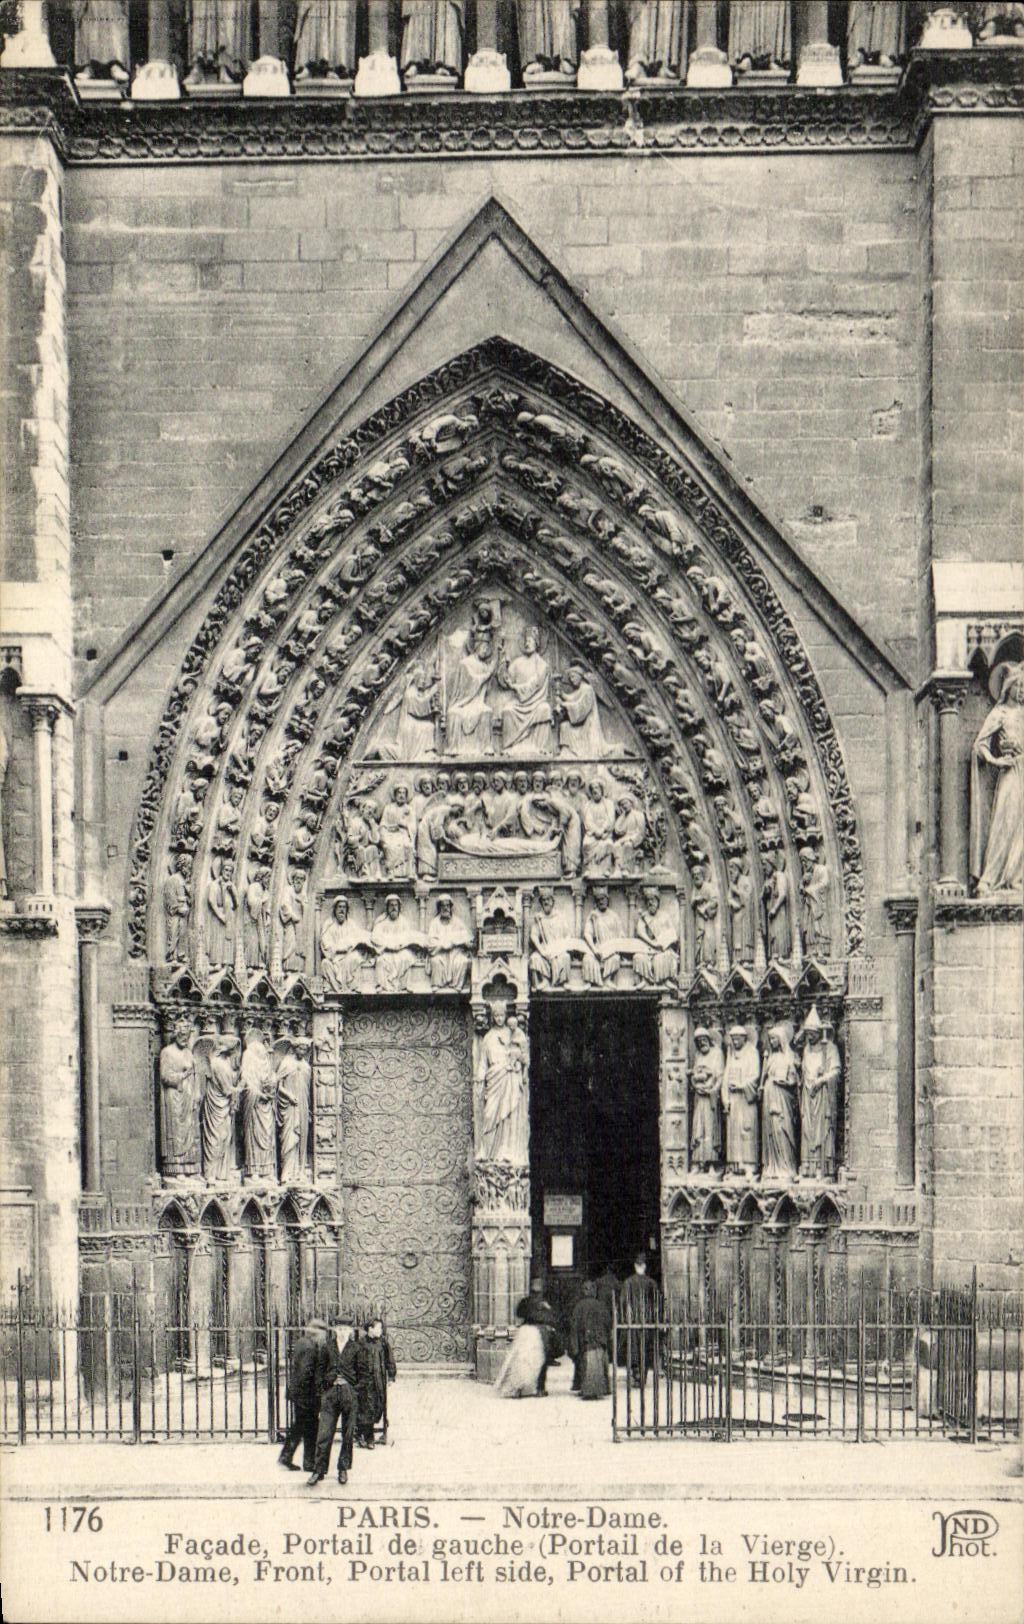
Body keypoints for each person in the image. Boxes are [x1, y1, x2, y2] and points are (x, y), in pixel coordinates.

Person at [308, 1319, 359, 1486]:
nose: (342, 1332)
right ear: (335, 1330)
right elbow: (319, 1371)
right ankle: (318, 1470)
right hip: (330, 1394)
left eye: (345, 1329)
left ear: (350, 1331)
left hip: (349, 1393)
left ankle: (343, 1468)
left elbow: (364, 1373)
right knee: (324, 1433)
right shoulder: (327, 1347)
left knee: (348, 1434)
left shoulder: (356, 1348)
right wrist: (324, 1389)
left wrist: (354, 1389)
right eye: (340, 1329)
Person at [278, 1319, 329, 1474]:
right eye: (323, 1333)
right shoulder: (310, 1347)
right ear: (317, 1332)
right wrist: (313, 1393)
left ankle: (288, 1457)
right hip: (306, 1394)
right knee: (310, 1428)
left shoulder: (302, 1342)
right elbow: (306, 1372)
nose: (325, 1336)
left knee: (301, 1426)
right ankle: (306, 1462)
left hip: (300, 1393)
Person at [619, 1255, 660, 1389]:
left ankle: (636, 1375)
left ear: (635, 1266)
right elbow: (656, 1303)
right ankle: (643, 1376)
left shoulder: (628, 1282)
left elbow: (623, 1302)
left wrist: (624, 1318)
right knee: (645, 1348)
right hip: (647, 1321)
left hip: (633, 1321)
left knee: (633, 1349)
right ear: (645, 1267)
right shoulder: (652, 1283)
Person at [355, 1318, 396, 1449]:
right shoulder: (361, 1343)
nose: (381, 1330)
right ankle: (369, 1438)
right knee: (366, 1408)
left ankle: (362, 1434)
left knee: (378, 1406)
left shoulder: (383, 1342)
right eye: (378, 1328)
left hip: (378, 1381)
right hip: (364, 1382)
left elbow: (390, 1360)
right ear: (370, 1329)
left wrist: (391, 1376)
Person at [515, 1278, 561, 1396]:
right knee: (541, 1360)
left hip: (527, 1331)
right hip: (540, 1332)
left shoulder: (525, 1301)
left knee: (524, 1359)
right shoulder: (544, 1303)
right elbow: (553, 1318)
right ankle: (539, 1388)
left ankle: (521, 1388)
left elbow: (519, 1313)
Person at [570, 1282, 612, 1401]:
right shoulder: (601, 1305)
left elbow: (574, 1326)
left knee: (585, 1365)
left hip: (585, 1341)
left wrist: (574, 1344)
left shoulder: (579, 1306)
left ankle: (587, 1389)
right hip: (599, 1340)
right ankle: (602, 1388)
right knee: (600, 1365)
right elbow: (608, 1323)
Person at [494, 1307, 546, 1399]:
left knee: (523, 1366)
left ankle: (519, 1389)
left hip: (525, 1344)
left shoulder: (524, 1328)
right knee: (526, 1365)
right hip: (529, 1344)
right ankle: (520, 1389)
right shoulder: (534, 1329)